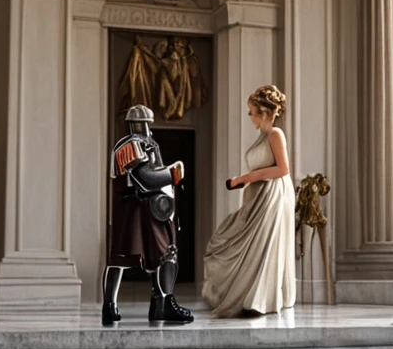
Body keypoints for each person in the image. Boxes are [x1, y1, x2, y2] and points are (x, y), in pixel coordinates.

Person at [201, 85, 296, 318]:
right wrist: (245, 182)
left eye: (251, 111)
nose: (249, 116)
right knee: (236, 240)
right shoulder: (263, 137)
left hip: (272, 197)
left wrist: (244, 179)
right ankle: (248, 295)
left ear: (263, 112)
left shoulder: (275, 134)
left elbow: (283, 169)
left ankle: (258, 298)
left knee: (260, 245)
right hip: (258, 196)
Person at [103, 105, 192, 326]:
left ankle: (161, 304)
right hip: (134, 209)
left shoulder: (148, 144)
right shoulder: (130, 146)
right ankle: (110, 306)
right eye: (143, 124)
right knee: (122, 258)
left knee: (161, 255)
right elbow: (144, 180)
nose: (146, 129)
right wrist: (173, 173)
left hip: (150, 209)